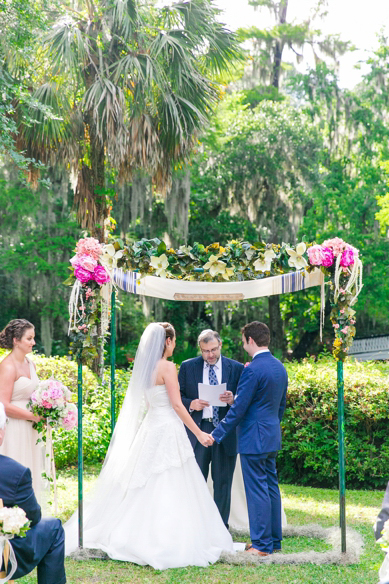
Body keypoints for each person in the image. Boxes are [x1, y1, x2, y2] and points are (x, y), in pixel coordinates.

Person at [64, 323, 234, 569]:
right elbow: (177, 405)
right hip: (168, 428)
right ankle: (169, 536)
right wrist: (198, 433)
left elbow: (150, 404)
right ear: (167, 342)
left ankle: (134, 532)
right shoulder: (167, 366)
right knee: (173, 479)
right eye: (173, 341)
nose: (174, 345)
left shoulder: (144, 368)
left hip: (152, 427)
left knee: (144, 481)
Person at [212, 321, 288, 556]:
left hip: (253, 437)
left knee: (256, 490)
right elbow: (279, 406)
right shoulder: (279, 367)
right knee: (270, 487)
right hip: (271, 434)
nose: (243, 343)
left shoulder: (252, 370)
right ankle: (274, 541)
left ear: (250, 341)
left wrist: (216, 434)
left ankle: (262, 546)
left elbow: (239, 410)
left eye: (243, 340)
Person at [178, 329, 244, 527]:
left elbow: (245, 400)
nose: (210, 355)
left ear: (220, 345)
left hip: (225, 433)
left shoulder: (237, 368)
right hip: (199, 431)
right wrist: (192, 404)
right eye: (205, 351)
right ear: (200, 349)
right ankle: (195, 527)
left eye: (213, 350)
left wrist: (233, 400)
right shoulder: (188, 367)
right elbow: (176, 397)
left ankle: (220, 528)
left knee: (223, 484)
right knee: (195, 482)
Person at [0, 402, 66, 583]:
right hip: (1, 562)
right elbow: (33, 517)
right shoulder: (15, 472)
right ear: (0, 433)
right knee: (53, 528)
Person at [0, 319, 45, 503]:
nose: (33, 342)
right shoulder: (7, 367)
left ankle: (29, 512)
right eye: (29, 338)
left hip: (31, 427)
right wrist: (32, 416)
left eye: (33, 338)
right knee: (17, 464)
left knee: (30, 466)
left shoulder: (30, 364)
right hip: (15, 427)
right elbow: (3, 404)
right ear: (16, 340)